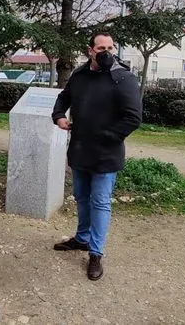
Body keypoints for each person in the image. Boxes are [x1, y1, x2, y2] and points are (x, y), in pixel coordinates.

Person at [51, 33, 142, 280]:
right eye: (101, 47)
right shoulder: (79, 76)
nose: (107, 51)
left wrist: (106, 138)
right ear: (90, 50)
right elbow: (63, 98)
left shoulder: (123, 78)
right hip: (79, 149)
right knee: (81, 197)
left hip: (106, 154)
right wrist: (59, 116)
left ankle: (96, 253)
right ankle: (82, 238)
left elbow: (133, 118)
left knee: (100, 202)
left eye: (111, 47)